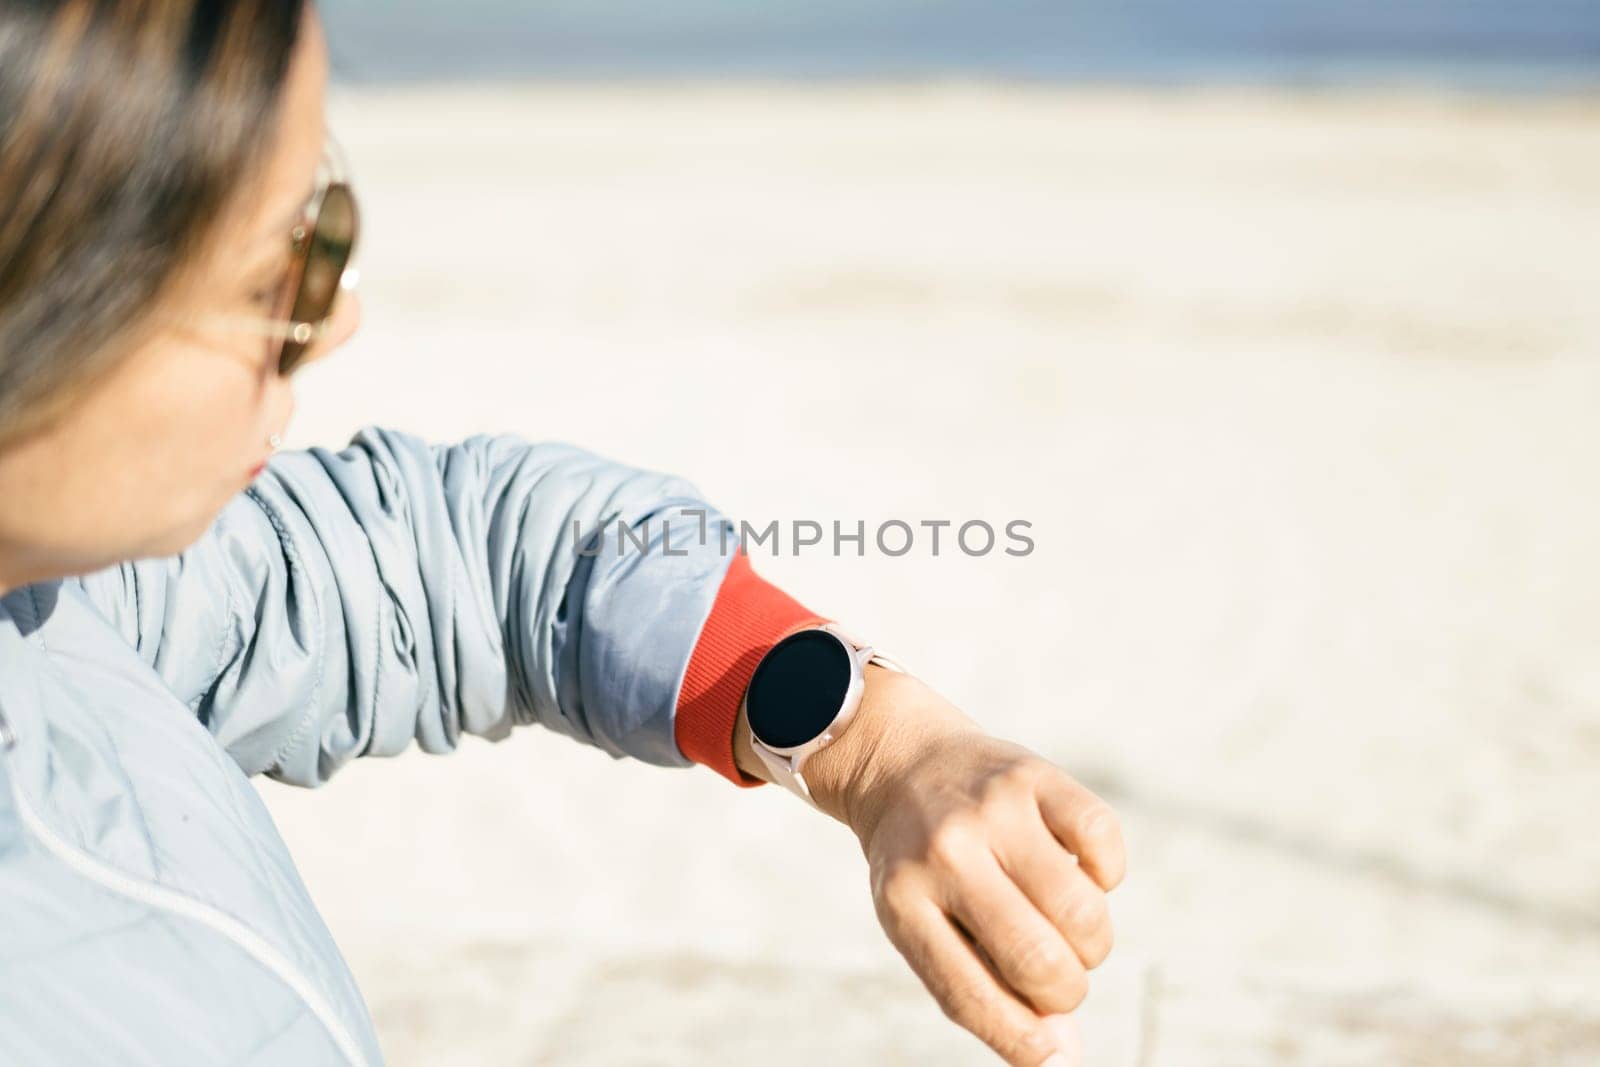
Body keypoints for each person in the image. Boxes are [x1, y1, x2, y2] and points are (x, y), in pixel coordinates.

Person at [0, 4, 1124, 1065]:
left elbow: (463, 558)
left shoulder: (78, 604)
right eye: (271, 278)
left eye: (324, 214)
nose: (337, 316)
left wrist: (874, 742)